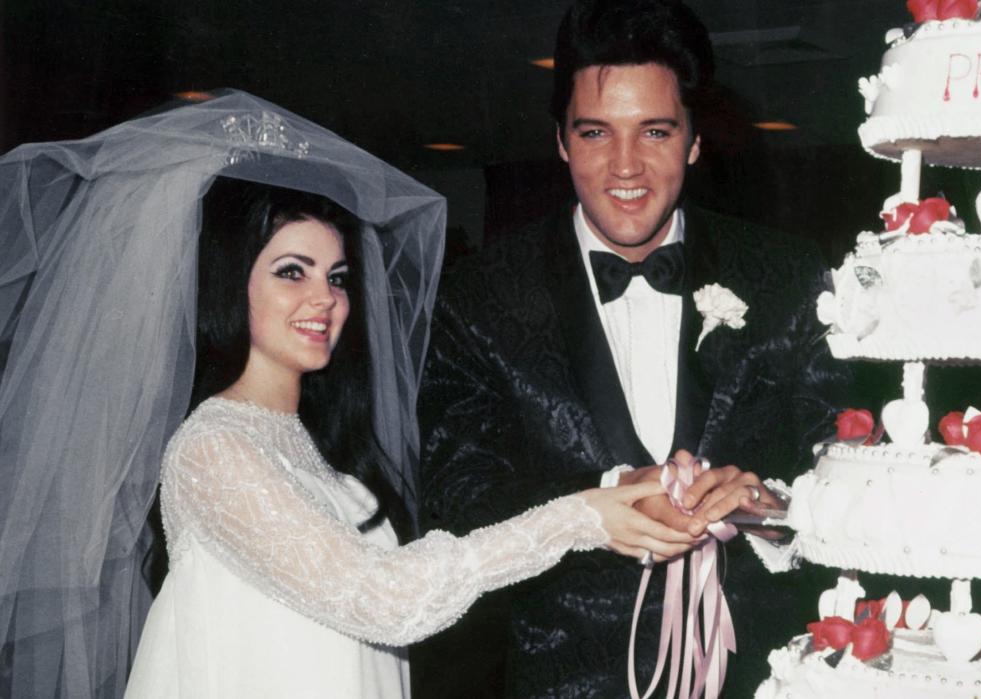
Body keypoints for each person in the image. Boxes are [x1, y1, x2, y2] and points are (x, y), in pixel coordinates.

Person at [0, 91, 696, 699]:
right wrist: (577, 519)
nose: (324, 299)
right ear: (229, 284)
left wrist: (617, 495)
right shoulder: (210, 448)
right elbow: (386, 601)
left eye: (336, 277)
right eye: (291, 272)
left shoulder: (313, 440)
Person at [415, 0, 849, 695]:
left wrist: (767, 503)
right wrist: (600, 501)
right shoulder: (480, 296)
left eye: (654, 131)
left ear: (695, 140)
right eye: (595, 133)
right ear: (560, 141)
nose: (626, 166)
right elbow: (457, 494)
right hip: (563, 678)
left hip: (759, 676)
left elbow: (850, 459)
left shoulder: (787, 274)